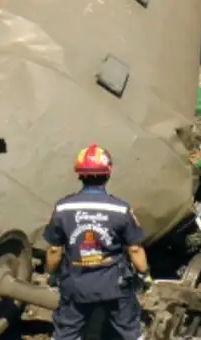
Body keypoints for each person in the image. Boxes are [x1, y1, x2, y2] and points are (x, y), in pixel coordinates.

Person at [43, 144, 151, 340]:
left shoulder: (62, 208)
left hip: (75, 286)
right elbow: (135, 249)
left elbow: (54, 250)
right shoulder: (120, 210)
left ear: (79, 174)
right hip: (114, 287)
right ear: (108, 173)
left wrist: (50, 274)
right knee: (129, 331)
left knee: (66, 333)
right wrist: (145, 274)